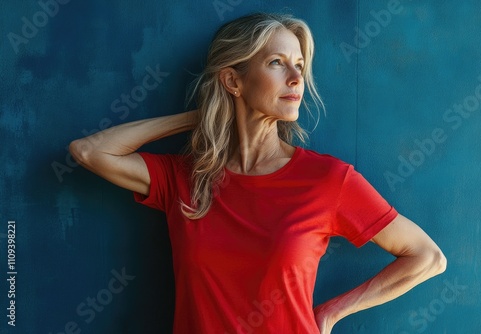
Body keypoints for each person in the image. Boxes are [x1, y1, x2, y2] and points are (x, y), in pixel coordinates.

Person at [69, 13, 446, 334]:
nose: (296, 79)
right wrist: (203, 116)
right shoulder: (186, 176)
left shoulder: (328, 180)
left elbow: (427, 257)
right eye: (277, 63)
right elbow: (89, 151)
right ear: (233, 81)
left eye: (299, 65)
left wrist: (332, 312)